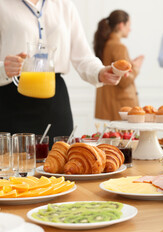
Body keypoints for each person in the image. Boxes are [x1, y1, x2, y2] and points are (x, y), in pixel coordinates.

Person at [0, 0, 121, 146]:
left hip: (55, 101)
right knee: (13, 163)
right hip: (12, 97)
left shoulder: (64, 5)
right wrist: (3, 69)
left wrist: (100, 72)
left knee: (60, 161)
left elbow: (83, 56)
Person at [94, 10, 144, 121]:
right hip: (121, 105)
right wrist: (136, 67)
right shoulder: (119, 47)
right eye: (129, 25)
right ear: (121, 25)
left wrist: (131, 64)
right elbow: (124, 80)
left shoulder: (106, 44)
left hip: (109, 104)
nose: (130, 29)